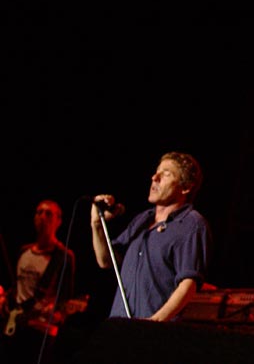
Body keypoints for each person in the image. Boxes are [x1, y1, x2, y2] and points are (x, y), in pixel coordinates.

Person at [90, 151, 212, 321]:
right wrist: (97, 225)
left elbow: (189, 284)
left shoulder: (191, 224)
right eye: (157, 172)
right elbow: (105, 261)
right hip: (119, 327)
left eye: (166, 174)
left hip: (152, 336)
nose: (155, 177)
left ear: (186, 187)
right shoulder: (142, 220)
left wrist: (154, 322)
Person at [0, 199, 76, 364]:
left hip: (41, 329)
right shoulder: (24, 251)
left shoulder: (63, 257)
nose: (42, 216)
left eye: (48, 213)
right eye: (39, 212)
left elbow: (66, 297)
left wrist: (57, 311)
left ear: (59, 221)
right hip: (14, 324)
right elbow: (17, 287)